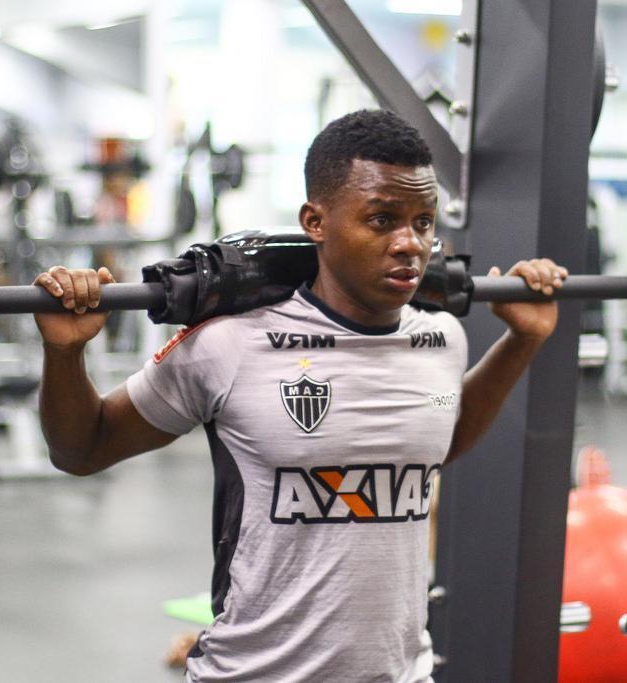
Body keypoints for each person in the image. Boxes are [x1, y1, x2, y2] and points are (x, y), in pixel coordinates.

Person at [33, 109, 567, 682]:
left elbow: (440, 437)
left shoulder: (441, 340)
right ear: (316, 221)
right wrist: (65, 354)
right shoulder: (231, 345)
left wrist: (521, 340)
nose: (409, 244)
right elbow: (82, 450)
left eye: (423, 221)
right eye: (382, 220)